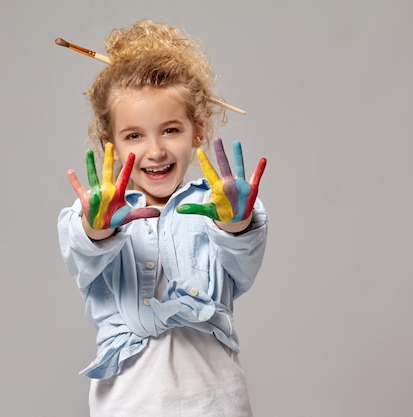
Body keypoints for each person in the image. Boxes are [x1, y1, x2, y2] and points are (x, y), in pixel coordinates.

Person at [57, 18, 268, 417]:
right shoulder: (94, 211)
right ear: (111, 145)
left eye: (170, 129)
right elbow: (80, 249)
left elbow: (243, 262)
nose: (155, 150)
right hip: (127, 403)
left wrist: (236, 224)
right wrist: (97, 227)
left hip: (215, 402)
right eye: (134, 135)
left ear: (198, 131)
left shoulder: (218, 204)